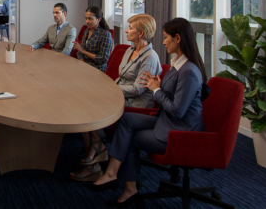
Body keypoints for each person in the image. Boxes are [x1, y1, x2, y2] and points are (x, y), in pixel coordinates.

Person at [85, 18, 207, 207]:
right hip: (166, 120)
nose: (163, 42)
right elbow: (171, 96)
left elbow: (177, 111)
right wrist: (157, 86)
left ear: (178, 38)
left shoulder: (189, 71)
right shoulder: (178, 65)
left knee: (131, 137)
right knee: (126, 120)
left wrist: (156, 90)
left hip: (179, 130)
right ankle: (113, 174)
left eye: (166, 38)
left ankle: (127, 186)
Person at [70, 14, 161, 182]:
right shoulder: (129, 50)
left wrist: (111, 89)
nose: (126, 30)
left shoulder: (150, 58)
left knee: (88, 106)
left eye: (131, 28)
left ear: (141, 33)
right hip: (119, 95)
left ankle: (95, 157)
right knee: (82, 100)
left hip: (136, 104)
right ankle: (96, 147)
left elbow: (138, 89)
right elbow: (121, 78)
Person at [73, 6, 113, 72]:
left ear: (98, 19)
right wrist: (82, 62)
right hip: (84, 65)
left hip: (97, 69)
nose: (87, 21)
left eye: (90, 19)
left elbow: (103, 58)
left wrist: (83, 52)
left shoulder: (105, 34)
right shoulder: (87, 31)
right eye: (86, 18)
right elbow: (79, 51)